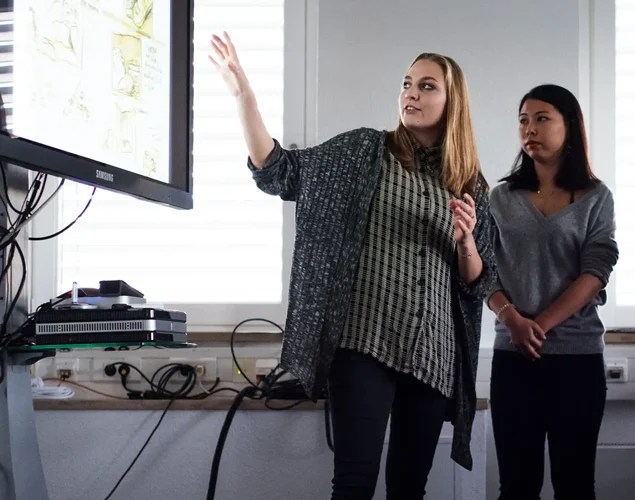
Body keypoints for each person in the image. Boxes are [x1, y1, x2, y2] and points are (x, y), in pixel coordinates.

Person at [209, 32, 496, 499]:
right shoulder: (365, 152)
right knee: (353, 484)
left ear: (453, 101)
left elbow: (479, 281)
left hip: (434, 358)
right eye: (407, 83)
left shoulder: (470, 186)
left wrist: (466, 241)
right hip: (364, 344)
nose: (411, 93)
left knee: (409, 489)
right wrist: (243, 93)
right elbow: (279, 170)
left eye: (427, 86)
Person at [487, 84, 619, 500]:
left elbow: (596, 271)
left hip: (576, 360)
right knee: (517, 485)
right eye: (523, 120)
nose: (530, 128)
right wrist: (512, 318)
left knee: (575, 483)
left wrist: (537, 325)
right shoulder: (501, 197)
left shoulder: (597, 198)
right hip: (512, 361)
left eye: (542, 118)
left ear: (570, 127)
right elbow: (483, 271)